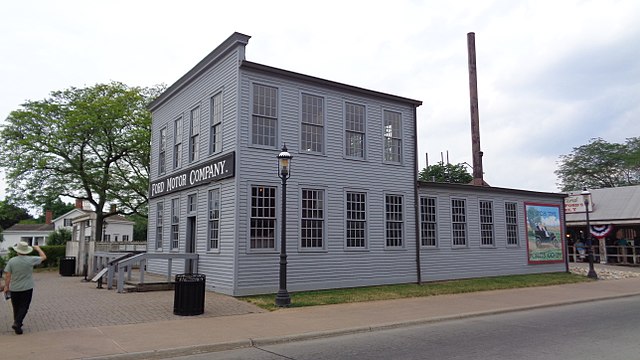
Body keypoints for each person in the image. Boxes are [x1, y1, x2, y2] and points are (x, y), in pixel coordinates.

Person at [3, 241, 46, 335]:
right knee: (24, 306)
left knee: (16, 307)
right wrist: (38, 249)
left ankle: (17, 324)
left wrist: (6, 286)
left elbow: (8, 275)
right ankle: (17, 323)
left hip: (14, 288)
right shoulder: (31, 259)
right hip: (27, 287)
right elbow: (43, 257)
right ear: (26, 251)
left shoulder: (12, 261)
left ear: (17, 251)